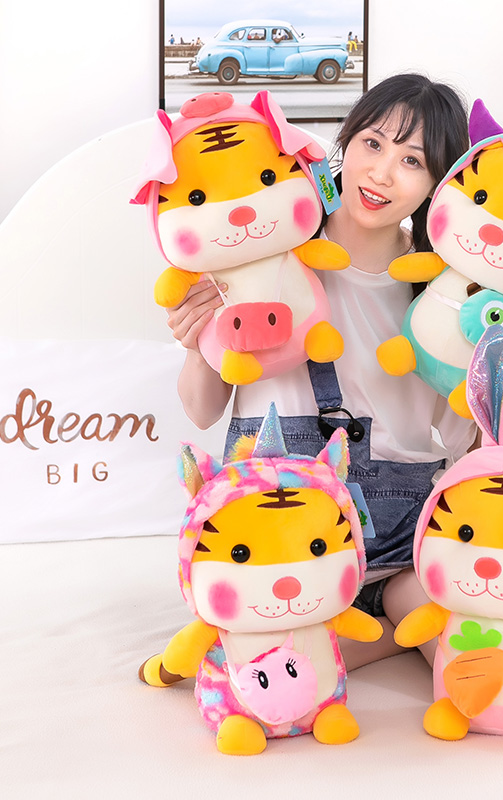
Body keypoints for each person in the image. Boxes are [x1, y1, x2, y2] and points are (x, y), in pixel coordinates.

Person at [164, 74, 475, 669]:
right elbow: (203, 410)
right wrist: (194, 343)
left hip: (403, 539)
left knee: (467, 664)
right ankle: (371, 632)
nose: (382, 173)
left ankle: (382, 621)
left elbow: (465, 440)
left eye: (413, 161)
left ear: (440, 184)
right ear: (346, 141)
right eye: (373, 143)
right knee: (262, 673)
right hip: (281, 535)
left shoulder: (442, 293)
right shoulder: (261, 254)